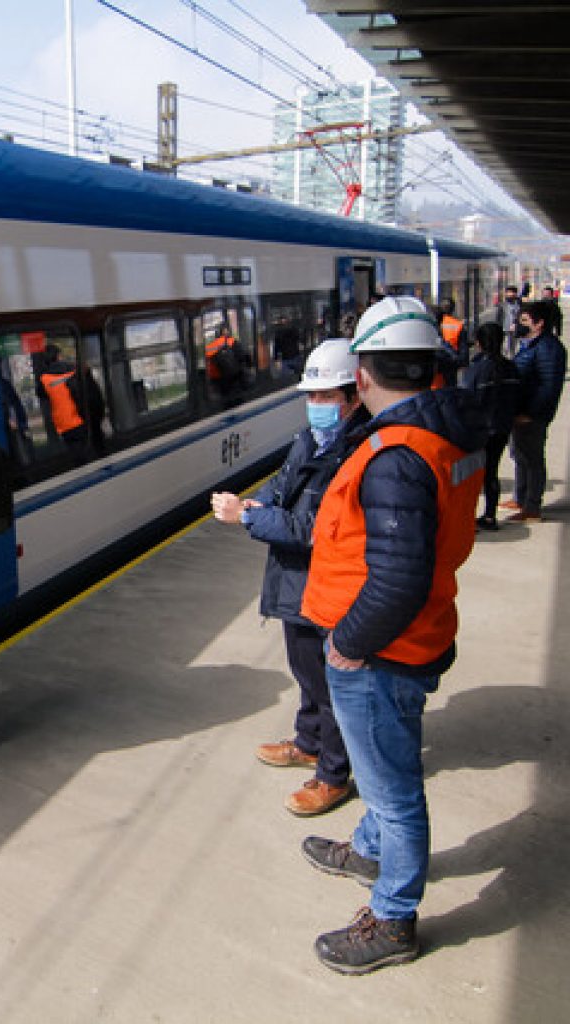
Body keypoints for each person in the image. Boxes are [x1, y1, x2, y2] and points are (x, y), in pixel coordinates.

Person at [299, 296, 487, 974]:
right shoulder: (450, 429)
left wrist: (348, 643)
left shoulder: (398, 455)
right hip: (424, 625)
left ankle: (392, 917)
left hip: (384, 649)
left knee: (395, 791)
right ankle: (370, 850)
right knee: (385, 775)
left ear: (367, 374)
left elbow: (397, 576)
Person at [212, 339, 368, 816]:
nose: (316, 405)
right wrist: (258, 502)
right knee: (305, 670)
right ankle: (308, 741)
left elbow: (314, 529)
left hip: (326, 582)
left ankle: (334, 774)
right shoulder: (311, 439)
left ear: (354, 396)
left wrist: (247, 518)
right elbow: (282, 487)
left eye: (327, 397)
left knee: (328, 682)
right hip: (295, 582)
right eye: (312, 396)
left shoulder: (355, 451)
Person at [503, 301, 568, 522]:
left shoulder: (548, 348)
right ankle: (520, 498)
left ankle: (532, 507)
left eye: (524, 321)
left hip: (532, 415)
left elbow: (549, 387)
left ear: (539, 323)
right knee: (520, 455)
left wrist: (530, 413)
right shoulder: (531, 344)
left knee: (532, 459)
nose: (518, 325)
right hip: (520, 411)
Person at [461, 322, 520, 530]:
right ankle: (489, 516)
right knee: (491, 471)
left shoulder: (478, 369)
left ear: (478, 343)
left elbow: (465, 399)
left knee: (472, 476)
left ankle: (468, 519)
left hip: (480, 430)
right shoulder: (510, 367)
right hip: (502, 428)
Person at [39, 343, 92, 466]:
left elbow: (41, 394)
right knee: (84, 453)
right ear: (58, 356)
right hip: (79, 419)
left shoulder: (44, 379)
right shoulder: (72, 371)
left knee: (74, 454)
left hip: (63, 424)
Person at [500, 285, 521, 357]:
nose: (509, 294)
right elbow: (499, 318)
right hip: (504, 329)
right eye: (508, 292)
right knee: (505, 347)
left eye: (511, 292)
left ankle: (513, 358)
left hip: (516, 329)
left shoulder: (519, 305)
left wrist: (516, 324)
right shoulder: (502, 305)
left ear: (515, 294)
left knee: (514, 347)